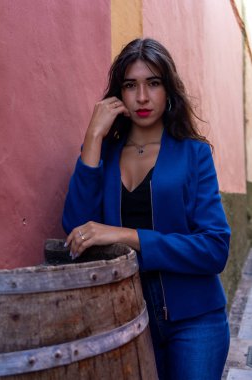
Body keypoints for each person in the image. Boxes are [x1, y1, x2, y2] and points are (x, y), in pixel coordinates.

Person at [62, 38, 230, 380]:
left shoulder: (193, 154)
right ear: (118, 94)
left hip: (196, 322)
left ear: (168, 90)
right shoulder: (104, 155)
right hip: (127, 320)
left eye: (153, 83)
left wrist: (128, 236)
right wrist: (93, 138)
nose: (142, 97)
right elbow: (77, 230)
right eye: (130, 85)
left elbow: (215, 248)